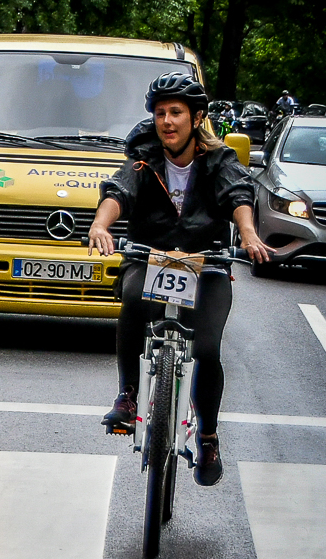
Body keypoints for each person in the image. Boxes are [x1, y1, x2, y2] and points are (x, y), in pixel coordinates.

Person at [87, 72, 273, 486]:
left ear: (197, 118)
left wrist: (247, 233)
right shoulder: (144, 157)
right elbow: (118, 192)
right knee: (133, 299)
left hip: (206, 263)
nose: (167, 121)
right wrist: (101, 225)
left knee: (206, 349)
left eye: (176, 113)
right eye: (160, 113)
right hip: (150, 256)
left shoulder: (219, 160)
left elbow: (238, 194)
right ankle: (128, 396)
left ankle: (207, 438)